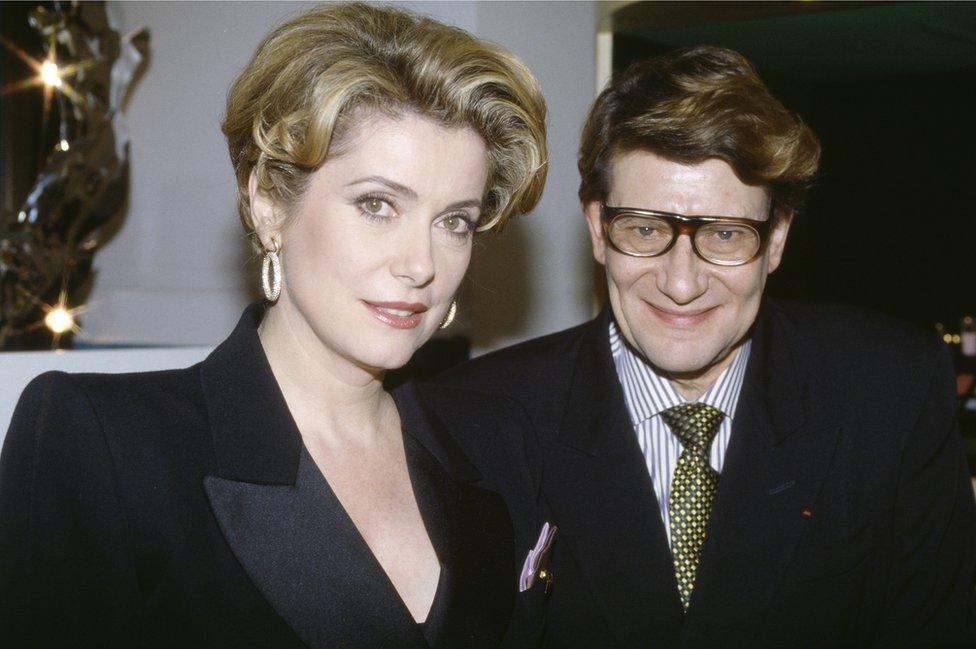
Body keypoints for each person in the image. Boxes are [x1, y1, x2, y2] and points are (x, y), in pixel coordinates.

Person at [0, 3, 548, 647]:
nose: (422, 264)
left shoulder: (495, 445)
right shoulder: (102, 442)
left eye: (454, 220)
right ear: (268, 204)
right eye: (377, 205)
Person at [440, 46, 976, 648]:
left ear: (776, 240)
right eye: (645, 229)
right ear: (598, 229)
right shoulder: (475, 421)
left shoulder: (890, 391)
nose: (682, 282)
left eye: (725, 234)